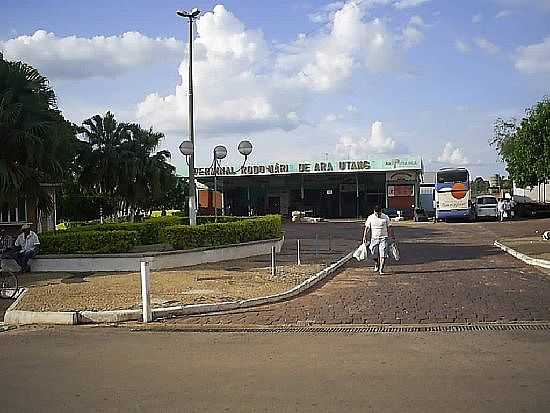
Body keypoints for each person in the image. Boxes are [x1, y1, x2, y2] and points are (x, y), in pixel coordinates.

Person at [363, 205, 394, 275]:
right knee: (373, 253)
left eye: (379, 213)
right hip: (374, 238)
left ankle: (381, 269)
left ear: (381, 211)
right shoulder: (370, 217)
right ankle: (376, 263)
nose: (377, 215)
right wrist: (364, 237)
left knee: (383, 254)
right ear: (374, 212)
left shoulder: (385, 217)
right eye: (376, 213)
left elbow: (390, 227)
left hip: (384, 238)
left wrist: (392, 237)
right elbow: (367, 228)